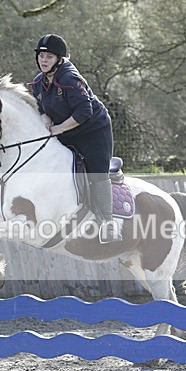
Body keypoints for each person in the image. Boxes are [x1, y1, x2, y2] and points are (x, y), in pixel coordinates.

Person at [28, 34, 121, 243]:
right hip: (66, 130)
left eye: (49, 57)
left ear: (59, 59)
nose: (43, 60)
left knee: (97, 173)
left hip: (93, 130)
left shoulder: (70, 79)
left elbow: (83, 113)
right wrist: (45, 120)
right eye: (41, 56)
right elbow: (42, 108)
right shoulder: (38, 82)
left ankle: (107, 222)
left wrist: (58, 128)